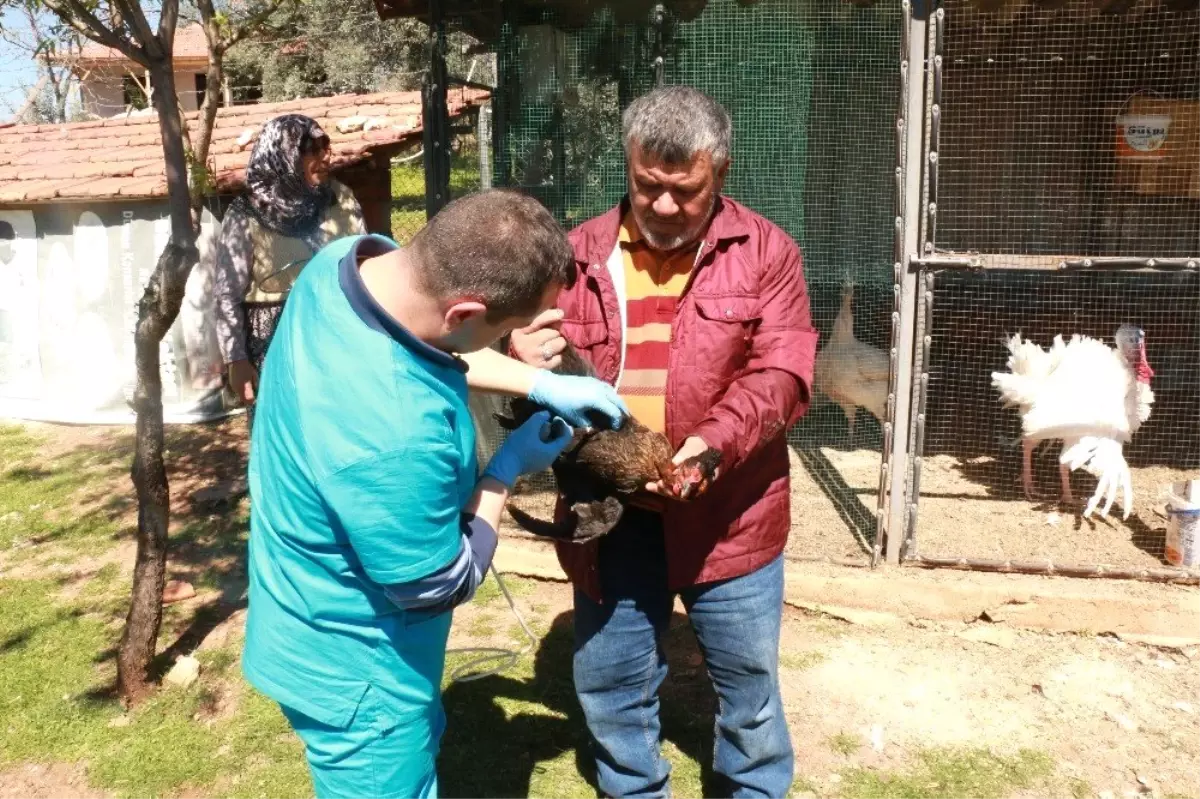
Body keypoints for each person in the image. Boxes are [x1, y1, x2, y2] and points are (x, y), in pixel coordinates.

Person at [240, 188, 629, 799]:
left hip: (296, 605)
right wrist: (507, 468)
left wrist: (537, 381)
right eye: (503, 330)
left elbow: (434, 348)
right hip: (359, 671)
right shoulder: (394, 435)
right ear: (462, 314)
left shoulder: (346, 267)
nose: (503, 340)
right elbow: (439, 584)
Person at [508, 85, 818, 798]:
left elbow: (783, 371)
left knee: (748, 688)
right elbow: (522, 359)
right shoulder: (575, 256)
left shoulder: (767, 252)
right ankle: (634, 788)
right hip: (610, 518)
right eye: (649, 187)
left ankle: (754, 788)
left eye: (687, 191)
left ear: (722, 175)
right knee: (612, 682)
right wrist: (520, 346)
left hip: (729, 512)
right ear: (629, 166)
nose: (666, 206)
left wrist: (711, 443)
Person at [212, 113, 367, 424]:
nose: (326, 156)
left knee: (340, 427)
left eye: (326, 147)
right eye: (312, 149)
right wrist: (236, 359)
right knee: (284, 431)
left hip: (339, 332)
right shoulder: (246, 214)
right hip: (275, 343)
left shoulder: (341, 200)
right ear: (284, 155)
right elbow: (227, 294)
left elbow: (364, 264)